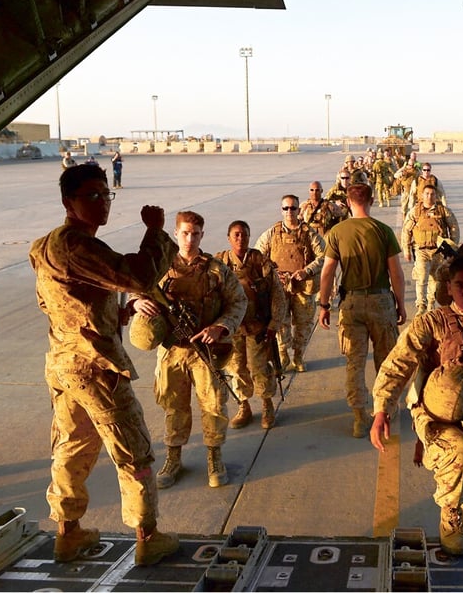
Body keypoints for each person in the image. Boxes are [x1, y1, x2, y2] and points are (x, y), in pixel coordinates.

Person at [29, 164, 179, 566]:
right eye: (91, 196)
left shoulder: (43, 246)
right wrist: (155, 230)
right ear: (68, 202)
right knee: (134, 450)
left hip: (63, 362)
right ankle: (148, 536)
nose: (101, 203)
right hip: (94, 368)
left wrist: (112, 318)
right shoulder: (77, 245)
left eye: (104, 195)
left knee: (72, 447)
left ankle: (68, 532)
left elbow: (62, 301)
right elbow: (140, 274)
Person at [370, 255, 463, 556]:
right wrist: (382, 409)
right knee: (460, 456)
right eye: (460, 285)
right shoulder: (431, 324)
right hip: (439, 420)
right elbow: (398, 363)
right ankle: (450, 521)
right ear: (449, 288)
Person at [130, 211, 248, 490]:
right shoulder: (161, 267)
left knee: (214, 406)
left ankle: (214, 458)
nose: (190, 239)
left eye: (195, 234)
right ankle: (173, 459)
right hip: (172, 350)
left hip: (205, 350)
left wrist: (219, 327)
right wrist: (136, 302)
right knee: (173, 406)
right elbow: (135, 287)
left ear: (202, 235)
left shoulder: (217, 269)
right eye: (185, 233)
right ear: (175, 233)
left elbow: (238, 302)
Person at [318, 183, 407, 438]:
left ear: (347, 202)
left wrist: (324, 305)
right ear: (372, 199)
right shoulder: (383, 231)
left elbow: (327, 273)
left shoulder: (337, 232)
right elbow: (396, 274)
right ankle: (386, 410)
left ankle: (359, 417)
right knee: (386, 362)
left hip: (351, 306)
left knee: (354, 363)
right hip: (381, 302)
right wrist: (400, 303)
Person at [216, 221, 288, 430]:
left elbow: (277, 294)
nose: (241, 239)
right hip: (231, 327)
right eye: (236, 235)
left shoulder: (261, 262)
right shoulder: (220, 263)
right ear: (229, 238)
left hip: (257, 327)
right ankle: (243, 406)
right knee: (236, 368)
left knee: (258, 367)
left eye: (244, 235)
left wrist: (275, 323)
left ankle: (266, 404)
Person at [255, 194, 326, 373]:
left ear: (298, 210)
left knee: (303, 324)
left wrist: (307, 271)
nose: (289, 212)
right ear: (281, 210)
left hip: (303, 288)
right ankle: (283, 355)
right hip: (280, 289)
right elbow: (258, 256)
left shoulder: (308, 233)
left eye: (293, 208)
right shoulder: (272, 233)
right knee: (281, 323)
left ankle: (299, 356)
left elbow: (324, 256)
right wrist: (272, 272)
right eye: (285, 208)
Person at [402, 184, 459, 316]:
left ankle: (430, 303)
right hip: (421, 250)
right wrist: (406, 249)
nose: (429, 196)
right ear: (422, 195)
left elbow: (454, 227)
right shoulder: (415, 212)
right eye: (426, 194)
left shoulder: (443, 211)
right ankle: (421, 304)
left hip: (438, 252)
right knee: (422, 277)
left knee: (435, 278)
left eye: (432, 194)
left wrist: (452, 247)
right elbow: (406, 230)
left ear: (436, 195)